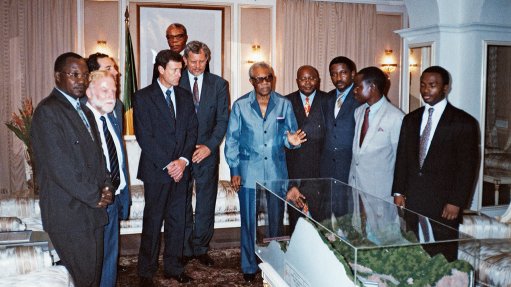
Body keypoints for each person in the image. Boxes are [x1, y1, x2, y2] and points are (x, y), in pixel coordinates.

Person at [30, 52, 113, 287]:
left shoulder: (85, 111)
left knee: (91, 277)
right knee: (83, 279)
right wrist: (95, 195)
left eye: (85, 75)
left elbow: (98, 157)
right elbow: (59, 167)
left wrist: (107, 184)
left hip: (91, 211)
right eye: (74, 74)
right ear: (58, 77)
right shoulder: (48, 112)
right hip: (69, 214)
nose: (80, 80)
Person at [224, 62, 306, 283]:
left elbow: (290, 137)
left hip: (276, 172)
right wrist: (234, 169)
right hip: (248, 172)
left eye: (268, 77)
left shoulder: (284, 105)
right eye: (259, 79)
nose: (264, 82)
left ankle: (273, 263)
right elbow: (232, 140)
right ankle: (249, 265)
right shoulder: (240, 105)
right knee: (249, 222)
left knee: (276, 222)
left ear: (273, 78)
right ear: (252, 82)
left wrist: (292, 142)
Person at [392, 66, 479, 261]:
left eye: (432, 85)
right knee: (412, 251)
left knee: (442, 256)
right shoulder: (410, 119)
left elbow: (467, 166)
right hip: (412, 200)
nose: (425, 90)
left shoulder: (464, 122)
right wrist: (398, 192)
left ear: (445, 88)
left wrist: (456, 202)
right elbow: (402, 158)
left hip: (444, 204)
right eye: (422, 85)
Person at [134, 49, 198, 286]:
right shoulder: (142, 97)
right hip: (156, 171)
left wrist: (183, 160)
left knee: (177, 222)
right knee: (153, 222)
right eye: (174, 70)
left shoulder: (184, 96)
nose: (179, 74)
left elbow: (192, 131)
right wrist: (169, 164)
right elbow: (145, 137)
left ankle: (173, 267)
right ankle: (146, 272)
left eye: (180, 69)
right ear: (160, 70)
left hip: (182, 170)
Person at [178, 41, 229, 266]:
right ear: (185, 60)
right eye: (193, 61)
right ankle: (185, 247)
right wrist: (184, 150)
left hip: (208, 153)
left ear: (207, 60)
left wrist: (209, 147)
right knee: (182, 201)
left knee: (206, 202)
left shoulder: (219, 84)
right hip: (181, 154)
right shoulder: (176, 82)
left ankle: (201, 248)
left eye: (202, 61)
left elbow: (222, 120)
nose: (197, 66)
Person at [84, 70, 131, 287]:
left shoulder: (111, 119)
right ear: (89, 92)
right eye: (104, 90)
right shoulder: (80, 122)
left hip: (112, 199)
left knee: (109, 258)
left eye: (113, 90)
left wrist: (122, 193)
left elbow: (119, 161)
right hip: (91, 203)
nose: (111, 95)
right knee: (92, 261)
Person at [348, 66, 405, 244]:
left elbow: (401, 158)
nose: (354, 91)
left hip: (381, 191)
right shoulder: (359, 112)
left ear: (372, 87)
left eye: (358, 86)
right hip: (356, 185)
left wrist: (399, 192)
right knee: (361, 233)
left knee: (383, 237)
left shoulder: (396, 117)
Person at [284, 65, 328, 231]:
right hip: (295, 171)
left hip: (320, 172)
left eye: (312, 78)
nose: (308, 82)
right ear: (297, 81)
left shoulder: (328, 100)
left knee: (320, 223)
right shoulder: (285, 102)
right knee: (297, 223)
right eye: (303, 78)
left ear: (318, 80)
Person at [320, 56, 361, 216]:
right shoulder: (327, 98)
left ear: (352, 73)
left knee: (348, 212)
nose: (338, 78)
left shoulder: (360, 98)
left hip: (350, 163)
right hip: (327, 165)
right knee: (327, 212)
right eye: (333, 74)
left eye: (343, 73)